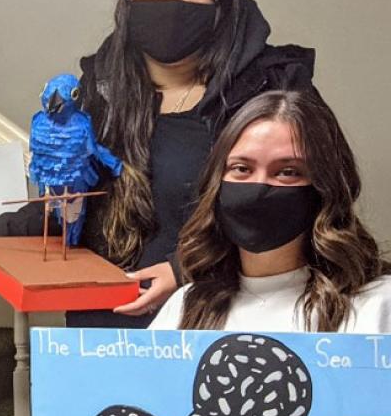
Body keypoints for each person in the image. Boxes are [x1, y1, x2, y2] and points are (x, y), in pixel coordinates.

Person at [0, 0, 315, 327]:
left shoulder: (274, 90)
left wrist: (184, 271)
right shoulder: (97, 94)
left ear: (223, 1)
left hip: (222, 319)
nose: (173, 5)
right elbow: (75, 204)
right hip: (109, 325)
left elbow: (302, 209)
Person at [149, 90, 391, 332]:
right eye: (242, 168)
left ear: (324, 188)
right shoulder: (186, 307)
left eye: (288, 172)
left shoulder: (378, 303)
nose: (258, 187)